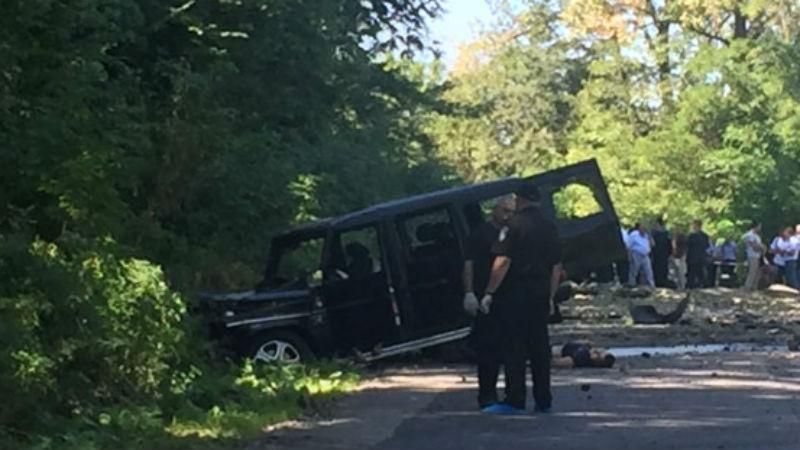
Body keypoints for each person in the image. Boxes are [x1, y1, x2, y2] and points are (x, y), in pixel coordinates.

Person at [480, 183, 562, 415]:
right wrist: (551, 296)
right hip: (539, 293)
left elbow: (503, 261)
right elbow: (556, 266)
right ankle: (543, 399)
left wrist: (489, 292)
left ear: (519, 200)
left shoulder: (512, 225)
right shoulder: (549, 227)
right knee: (539, 348)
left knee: (514, 346)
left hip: (515, 293)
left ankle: (515, 398)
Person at [462, 196, 515, 409]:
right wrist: (469, 292)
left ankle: (512, 395)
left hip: (509, 297)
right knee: (488, 350)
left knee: (511, 349)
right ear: (494, 210)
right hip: (485, 297)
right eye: (504, 211)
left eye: (511, 212)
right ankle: (486, 395)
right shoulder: (480, 234)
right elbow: (468, 264)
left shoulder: (513, 234)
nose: (508, 216)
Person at [627, 222, 655, 288]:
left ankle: (651, 286)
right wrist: (630, 255)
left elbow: (653, 244)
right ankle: (631, 285)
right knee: (634, 271)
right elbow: (629, 246)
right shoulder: (634, 235)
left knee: (648, 271)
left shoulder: (647, 235)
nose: (643, 230)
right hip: (636, 254)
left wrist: (649, 236)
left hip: (645, 255)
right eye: (642, 228)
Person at [551, 342, 616, 369]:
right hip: (562, 348)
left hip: (559, 352)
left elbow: (558, 362)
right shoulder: (586, 352)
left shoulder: (581, 359)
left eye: (598, 354)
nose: (596, 351)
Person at [687, 220, 711, 289]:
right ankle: (701, 285)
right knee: (699, 274)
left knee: (693, 274)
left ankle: (693, 286)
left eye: (694, 225)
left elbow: (688, 245)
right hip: (700, 258)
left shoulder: (692, 236)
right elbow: (707, 246)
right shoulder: (705, 236)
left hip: (693, 258)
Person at [742, 221, 765, 290]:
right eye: (759, 226)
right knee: (752, 271)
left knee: (757, 272)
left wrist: (762, 248)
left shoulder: (757, 236)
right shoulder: (749, 235)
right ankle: (748, 286)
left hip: (758, 256)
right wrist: (761, 247)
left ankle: (754, 287)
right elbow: (754, 246)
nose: (760, 228)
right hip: (752, 255)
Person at [651, 217, 672, 287]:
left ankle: (659, 283)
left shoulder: (654, 234)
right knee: (662, 269)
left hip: (658, 255)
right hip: (663, 255)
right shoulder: (666, 234)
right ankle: (662, 282)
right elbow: (670, 245)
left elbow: (652, 244)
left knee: (658, 269)